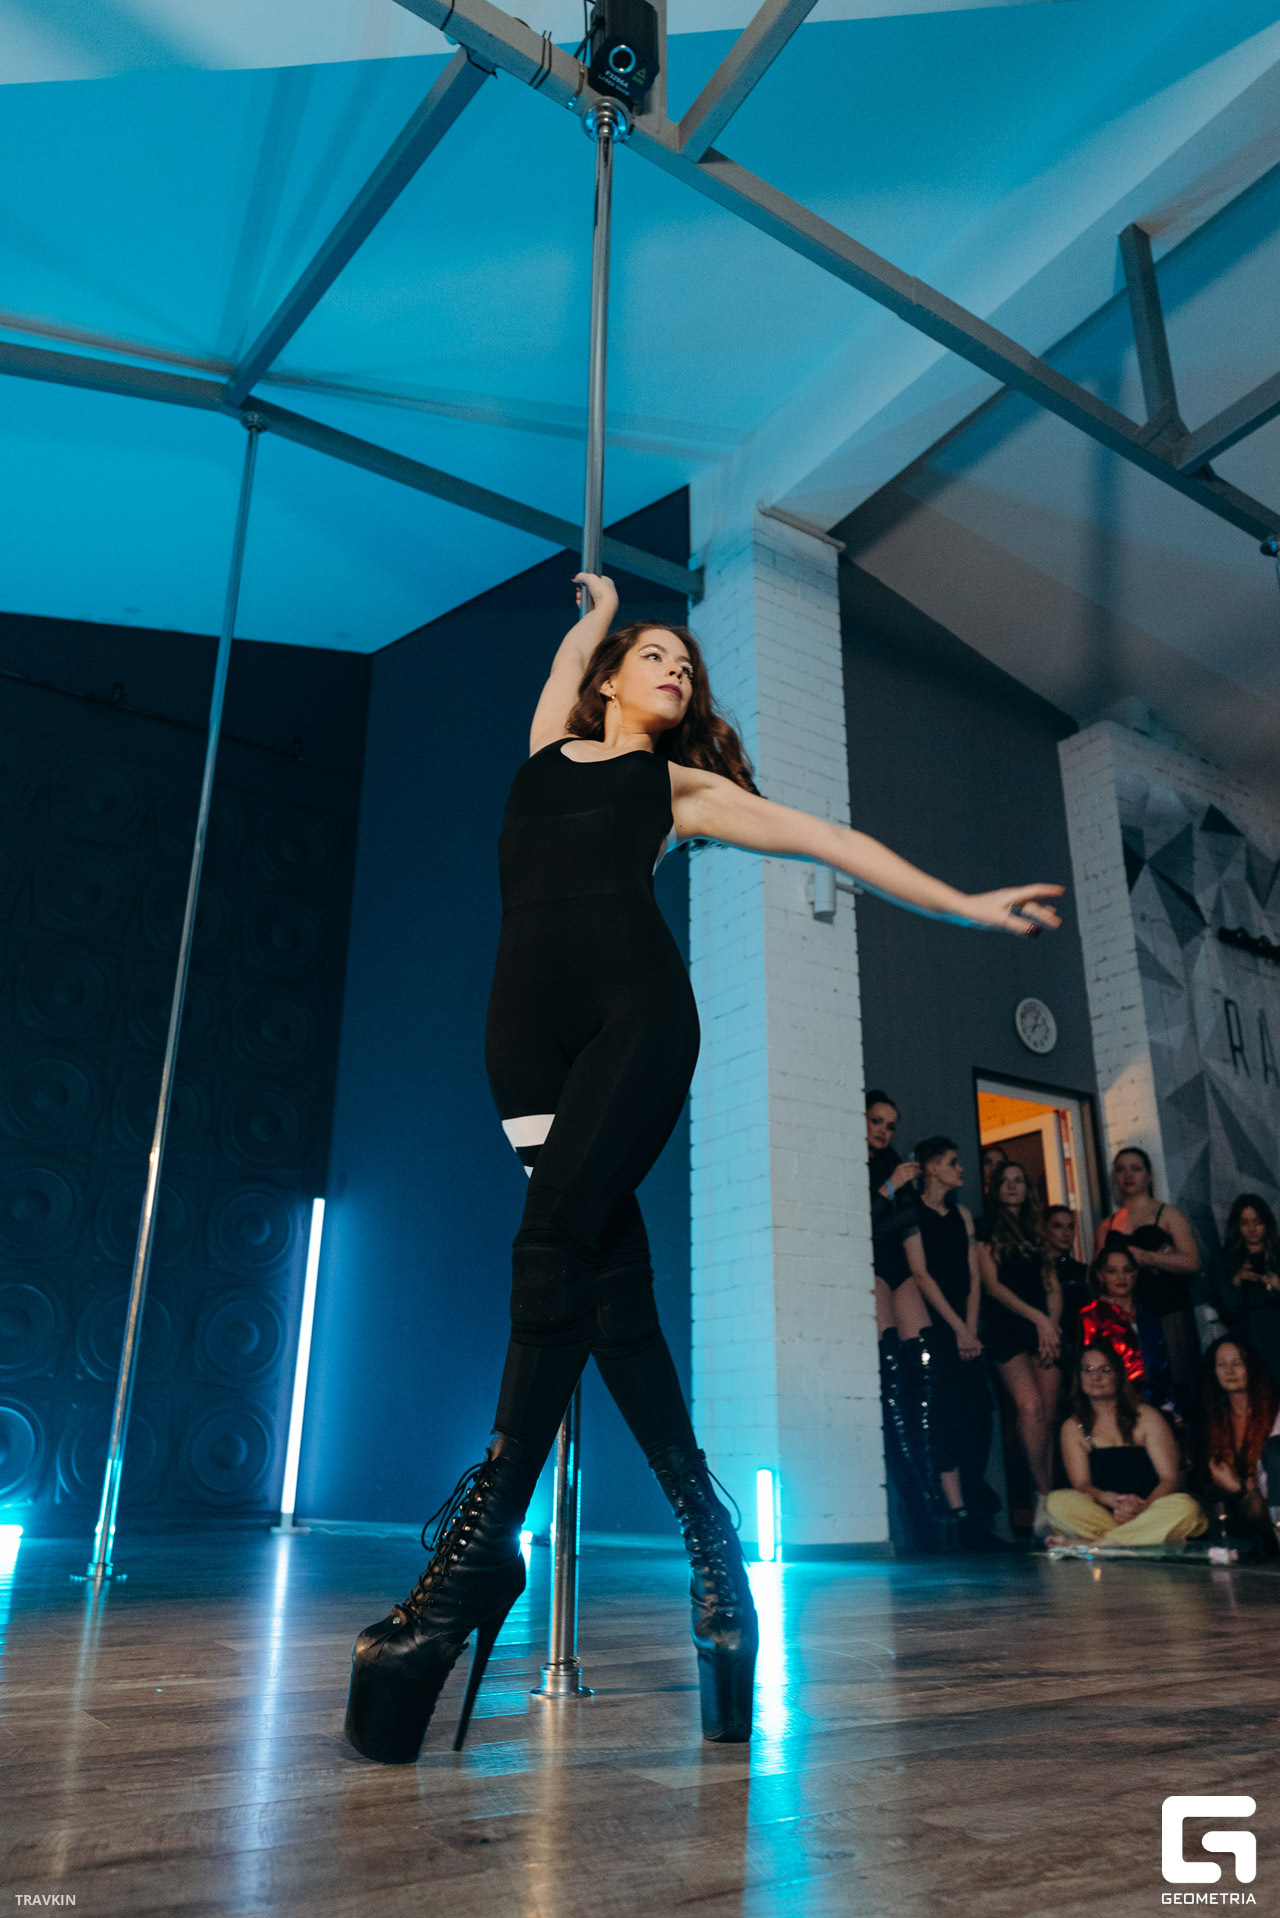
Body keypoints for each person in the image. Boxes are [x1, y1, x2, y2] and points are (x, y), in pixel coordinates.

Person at [344, 571, 1062, 1764]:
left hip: (634, 1023)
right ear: (609, 682)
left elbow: (828, 840)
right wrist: (595, 614)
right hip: (521, 1045)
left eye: (688, 666)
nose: (676, 671)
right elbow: (560, 674)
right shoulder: (545, 748)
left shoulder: (678, 789)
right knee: (609, 1297)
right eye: (656, 657)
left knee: (549, 1246)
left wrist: (962, 908)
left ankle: (469, 1566)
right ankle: (713, 1550)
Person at [902, 1137, 994, 1540]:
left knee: (977, 1414)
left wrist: (970, 1329)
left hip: (966, 1327)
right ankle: (955, 1512)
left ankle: (973, 1508)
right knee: (944, 1415)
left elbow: (973, 1274)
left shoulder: (963, 1214)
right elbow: (921, 1274)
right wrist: (957, 1328)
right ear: (933, 1168)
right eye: (953, 1162)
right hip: (937, 1323)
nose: (960, 1169)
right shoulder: (912, 1214)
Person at [1045, 1342, 1207, 1547]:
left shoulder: (1146, 1416)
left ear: (1118, 1375)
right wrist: (1110, 1499)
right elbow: (1082, 1485)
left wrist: (1142, 1507)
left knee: (1187, 1508)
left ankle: (1098, 1544)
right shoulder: (1073, 1426)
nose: (1096, 1377)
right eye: (1088, 1370)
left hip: (1150, 1509)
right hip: (1105, 1515)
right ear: (1079, 1377)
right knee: (1056, 1502)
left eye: (1105, 1369)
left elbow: (1169, 1478)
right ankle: (1131, 1540)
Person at [867, 1093, 943, 1526]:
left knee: (926, 1370)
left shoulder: (892, 1161)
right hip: (870, 1266)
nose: (883, 1131)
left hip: (898, 1264)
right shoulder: (857, 1162)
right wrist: (890, 1188)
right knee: (893, 1371)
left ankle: (931, 1491)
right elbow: (861, 1222)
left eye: (890, 1125)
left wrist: (888, 1198)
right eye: (876, 1121)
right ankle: (914, 1498)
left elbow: (909, 1217)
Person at [977, 1160, 1062, 1526]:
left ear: (1028, 1188)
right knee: (1029, 1409)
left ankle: (1049, 1500)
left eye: (1019, 1180)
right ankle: (1042, 1497)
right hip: (1007, 1325)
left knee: (1047, 1417)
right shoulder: (985, 1227)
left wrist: (1052, 1324)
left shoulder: (1037, 1228)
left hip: (1043, 1331)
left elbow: (1052, 1285)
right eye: (1005, 1181)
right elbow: (992, 1286)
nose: (1012, 1186)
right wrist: (1038, 1318)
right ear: (995, 1188)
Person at [1095, 1146, 1199, 1407]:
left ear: (1149, 1175)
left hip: (1168, 1310)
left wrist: (1149, 1257)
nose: (1128, 1175)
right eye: (1121, 1169)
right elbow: (1096, 1275)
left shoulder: (1168, 1214)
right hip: (1126, 1317)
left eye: (1135, 1168)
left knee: (1180, 1387)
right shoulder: (1107, 1225)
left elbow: (1193, 1262)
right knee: (1133, 1389)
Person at [1202, 1335, 1280, 1549]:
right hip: (1231, 1509)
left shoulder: (1274, 1410)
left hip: (1270, 1503)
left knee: (1256, 1505)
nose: (1229, 1371)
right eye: (1222, 1364)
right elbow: (1204, 1481)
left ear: (1251, 1367)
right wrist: (1234, 1488)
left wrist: (1246, 1488)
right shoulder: (1213, 1416)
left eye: (1237, 1363)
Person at [1078, 1247, 1176, 1414]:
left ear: (1135, 1273)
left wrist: (1172, 1404)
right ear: (1101, 1275)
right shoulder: (1092, 1315)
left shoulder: (1149, 1316)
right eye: (1112, 1271)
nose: (1120, 1277)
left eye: (1127, 1270)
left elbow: (1164, 1364)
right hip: (1114, 1402)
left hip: (1158, 1403)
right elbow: (1087, 1365)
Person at [1213, 1194, 1280, 1384]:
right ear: (1237, 1226)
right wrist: (1237, 1280)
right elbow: (1224, 1307)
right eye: (1245, 1223)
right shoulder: (1225, 1259)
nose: (1251, 1229)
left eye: (1257, 1222)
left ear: (1266, 1223)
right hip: (1247, 1334)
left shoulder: (1278, 1253)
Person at [1044, 1203, 1090, 1354]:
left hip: (1080, 1347)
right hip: (1047, 1345)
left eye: (1070, 1227)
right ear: (1044, 1230)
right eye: (1058, 1226)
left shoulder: (1083, 1271)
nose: (1066, 1233)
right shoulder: (1036, 1268)